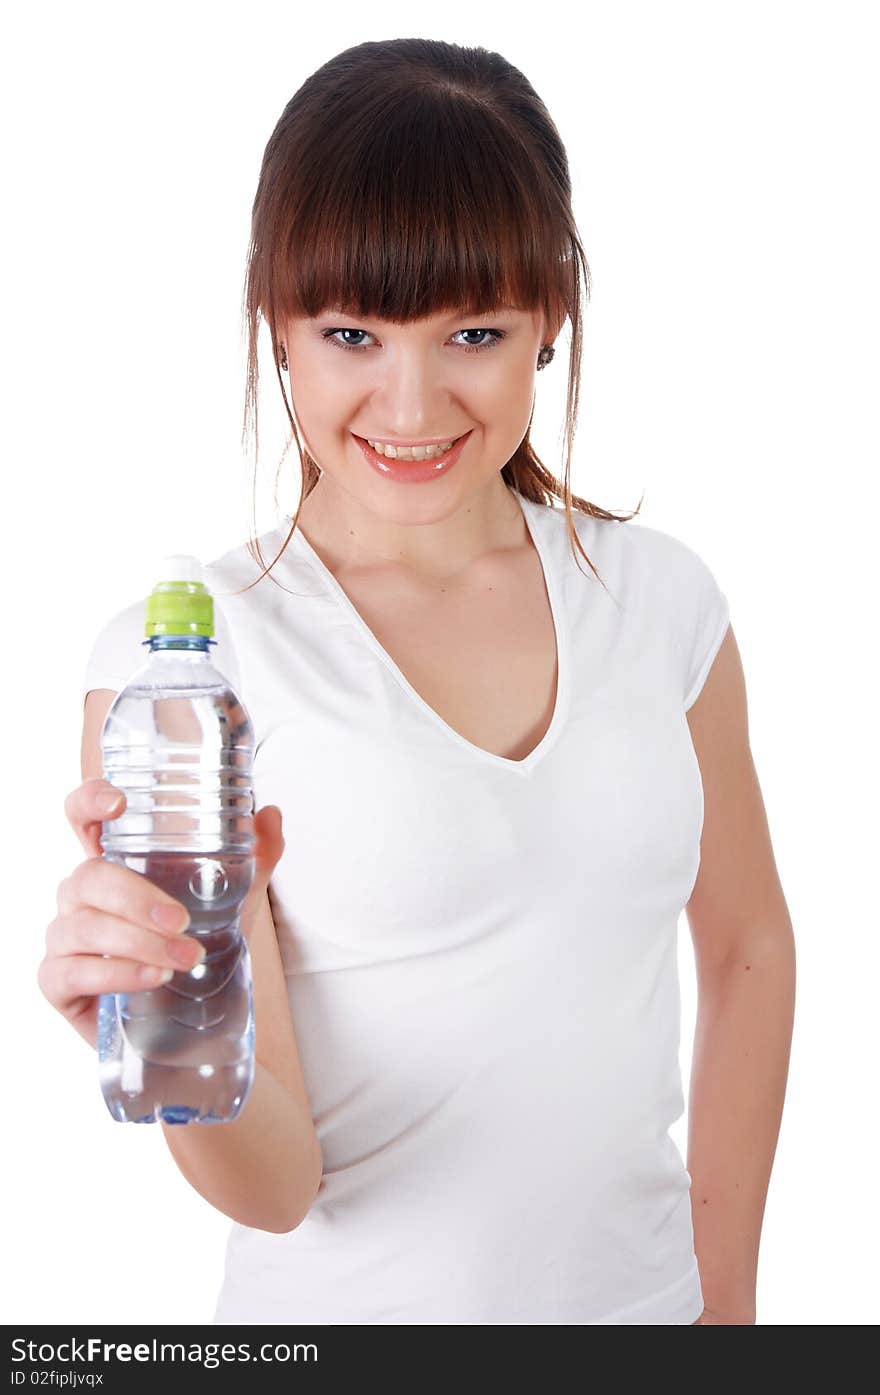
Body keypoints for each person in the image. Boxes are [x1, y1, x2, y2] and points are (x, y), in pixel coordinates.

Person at [39, 38, 796, 1325]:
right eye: (350, 333)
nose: (410, 401)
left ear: (549, 318)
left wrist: (725, 1316)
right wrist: (155, 1024)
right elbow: (279, 1190)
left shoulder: (662, 602)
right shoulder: (188, 674)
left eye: (474, 333)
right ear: (274, 325)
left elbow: (745, 949)